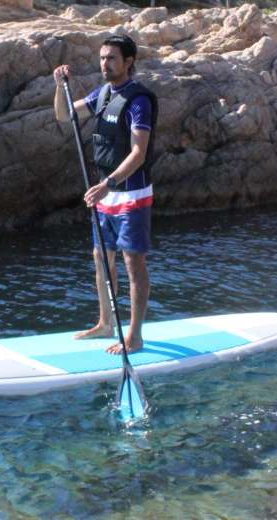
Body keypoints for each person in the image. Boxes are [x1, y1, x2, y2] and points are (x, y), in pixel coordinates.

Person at [52, 34, 158, 354]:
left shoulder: (139, 101)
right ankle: (106, 323)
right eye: (102, 58)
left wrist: (109, 183)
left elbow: (139, 153)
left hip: (131, 193)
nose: (105, 64)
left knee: (132, 263)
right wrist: (60, 86)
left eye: (111, 58)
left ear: (128, 62)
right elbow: (64, 115)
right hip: (106, 193)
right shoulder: (103, 94)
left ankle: (134, 335)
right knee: (101, 258)